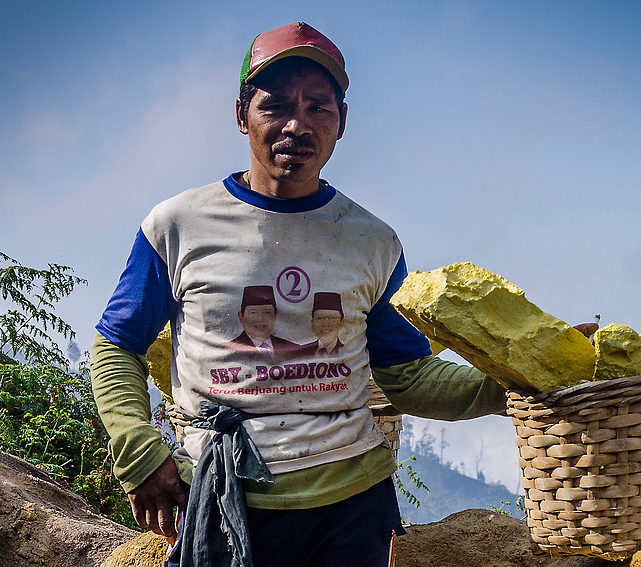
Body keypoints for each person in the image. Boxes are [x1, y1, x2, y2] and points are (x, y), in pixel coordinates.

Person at [90, 22, 508, 567]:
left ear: (342, 123)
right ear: (241, 115)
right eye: (277, 105)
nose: (297, 124)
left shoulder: (371, 241)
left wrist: (519, 383)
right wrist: (138, 451)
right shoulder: (178, 225)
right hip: (222, 492)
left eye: (318, 107)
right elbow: (116, 344)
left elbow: (409, 376)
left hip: (351, 501)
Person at [223, 285, 300, 361]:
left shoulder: (294, 349)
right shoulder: (227, 351)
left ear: (275, 315)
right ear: (241, 316)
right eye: (253, 312)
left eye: (267, 312)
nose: (260, 318)